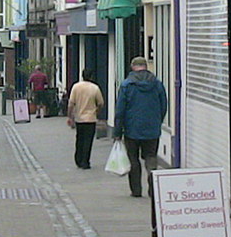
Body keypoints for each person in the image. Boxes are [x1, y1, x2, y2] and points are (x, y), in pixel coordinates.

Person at [111, 56, 168, 198]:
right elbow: (163, 106)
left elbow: (120, 110)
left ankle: (136, 190)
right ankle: (152, 180)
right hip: (152, 129)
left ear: (132, 67)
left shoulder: (127, 85)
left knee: (133, 159)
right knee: (151, 156)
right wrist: (157, 121)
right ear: (146, 67)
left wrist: (117, 131)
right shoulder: (157, 84)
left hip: (132, 129)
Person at [67, 69, 104, 169]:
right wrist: (97, 111)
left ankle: (78, 159)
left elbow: (71, 104)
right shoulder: (95, 88)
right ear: (91, 77)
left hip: (79, 118)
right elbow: (101, 103)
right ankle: (85, 161)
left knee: (79, 139)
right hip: (90, 118)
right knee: (88, 140)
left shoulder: (76, 87)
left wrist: (70, 116)